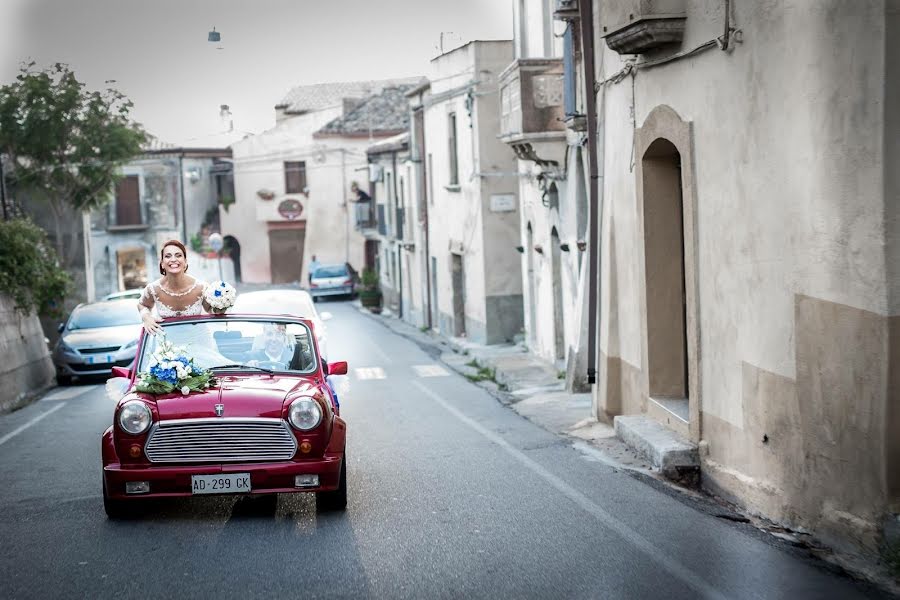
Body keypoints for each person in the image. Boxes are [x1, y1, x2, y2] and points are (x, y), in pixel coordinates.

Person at [137, 239, 219, 335]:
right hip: (168, 345)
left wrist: (222, 305)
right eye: (168, 256)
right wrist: (147, 318)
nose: (173, 259)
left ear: (185, 262)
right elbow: (142, 305)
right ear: (162, 263)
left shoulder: (201, 287)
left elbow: (210, 310)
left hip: (199, 341)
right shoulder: (153, 289)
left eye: (178, 255)